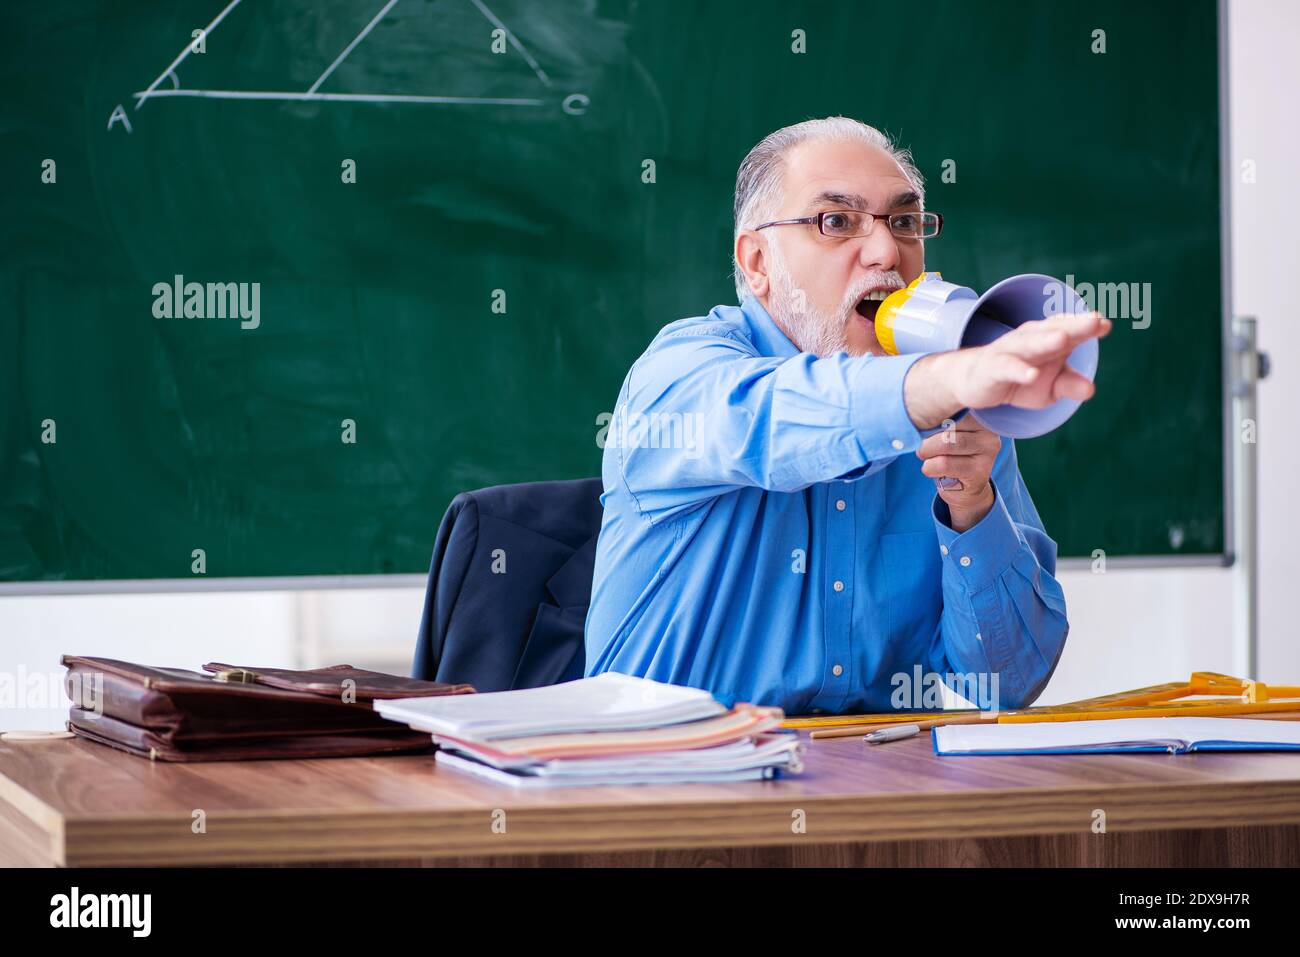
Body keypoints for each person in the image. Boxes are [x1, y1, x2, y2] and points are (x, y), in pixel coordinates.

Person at [584, 116, 1110, 714]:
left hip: (873, 789)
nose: (887, 251)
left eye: (905, 222)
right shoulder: (676, 378)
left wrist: (972, 509)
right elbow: (773, 419)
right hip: (668, 788)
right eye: (837, 222)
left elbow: (1008, 683)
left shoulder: (956, 406)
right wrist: (943, 380)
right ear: (758, 262)